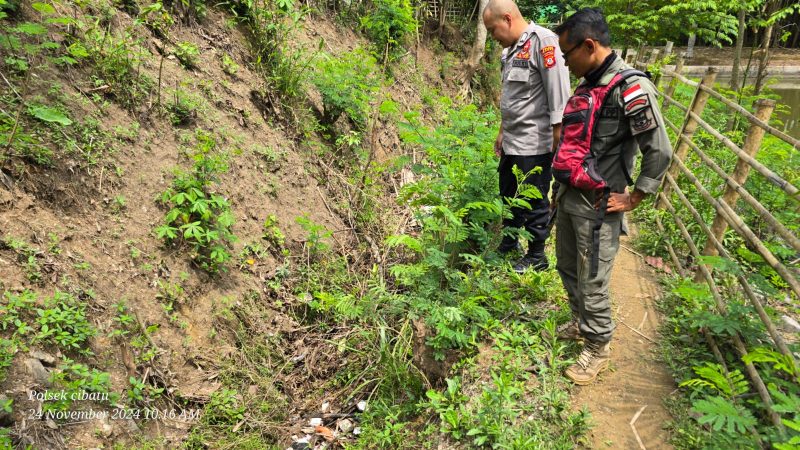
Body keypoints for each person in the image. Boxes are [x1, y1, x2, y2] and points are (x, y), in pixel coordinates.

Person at [551, 8, 672, 385]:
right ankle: (580, 321)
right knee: (568, 267)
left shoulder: (631, 89)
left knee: (593, 278)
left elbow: (660, 152)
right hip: (572, 196)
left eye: (567, 54)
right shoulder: (590, 84)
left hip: (601, 206)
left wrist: (637, 196)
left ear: (588, 45)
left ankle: (597, 345)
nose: (565, 63)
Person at [483, 0, 570, 272]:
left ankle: (537, 255)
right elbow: (513, 95)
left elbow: (558, 93)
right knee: (508, 193)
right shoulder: (510, 50)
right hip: (513, 140)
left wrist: (559, 140)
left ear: (508, 19)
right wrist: (501, 130)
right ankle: (510, 243)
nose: (493, 37)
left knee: (533, 199)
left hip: (535, 141)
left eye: (493, 29)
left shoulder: (544, 43)